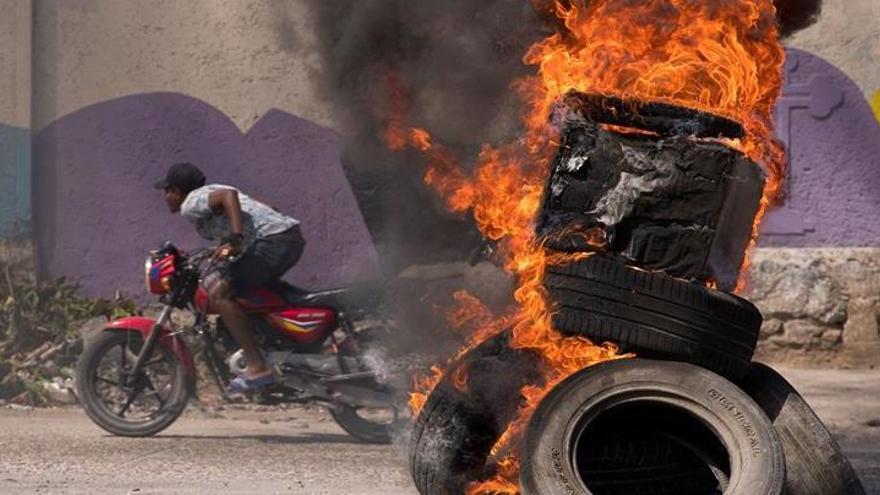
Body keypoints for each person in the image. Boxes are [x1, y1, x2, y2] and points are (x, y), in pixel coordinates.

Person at [155, 162, 306, 392]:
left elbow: (229, 196)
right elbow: (265, 207)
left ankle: (257, 366)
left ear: (177, 191)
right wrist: (227, 244)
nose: (166, 197)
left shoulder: (191, 202)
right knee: (260, 293)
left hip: (273, 242)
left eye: (167, 191)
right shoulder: (210, 191)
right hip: (287, 238)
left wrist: (235, 239)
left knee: (220, 293)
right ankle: (281, 349)